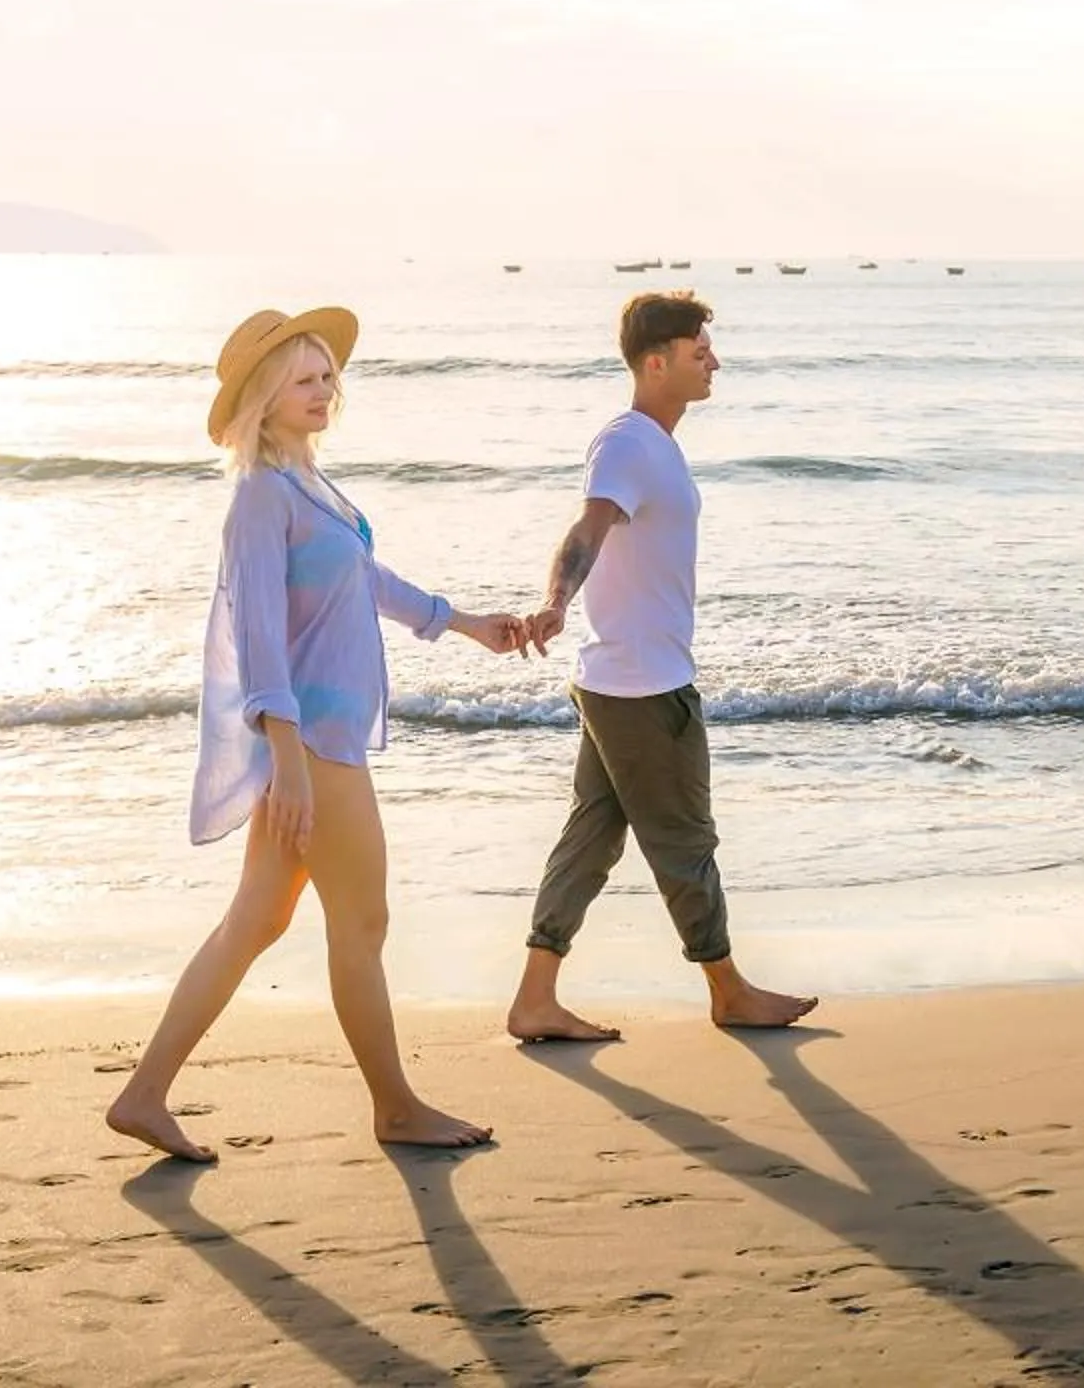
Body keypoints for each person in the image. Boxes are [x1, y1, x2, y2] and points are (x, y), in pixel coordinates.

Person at [108, 307, 530, 1164]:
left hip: (316, 744)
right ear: (263, 398)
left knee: (251, 926)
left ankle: (143, 1094)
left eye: (328, 376)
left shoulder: (310, 486)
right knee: (362, 921)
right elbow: (262, 638)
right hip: (314, 749)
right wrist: (289, 766)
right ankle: (396, 1107)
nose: (323, 391)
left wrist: (465, 624)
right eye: (303, 380)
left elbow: (366, 581)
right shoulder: (261, 498)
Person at [505, 290, 816, 1043]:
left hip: (623, 677)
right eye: (697, 348)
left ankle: (535, 999)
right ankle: (728, 989)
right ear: (655, 362)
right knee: (685, 840)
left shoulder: (655, 446)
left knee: (593, 837)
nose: (712, 359)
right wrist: (554, 602)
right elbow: (587, 529)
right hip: (642, 686)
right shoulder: (629, 443)